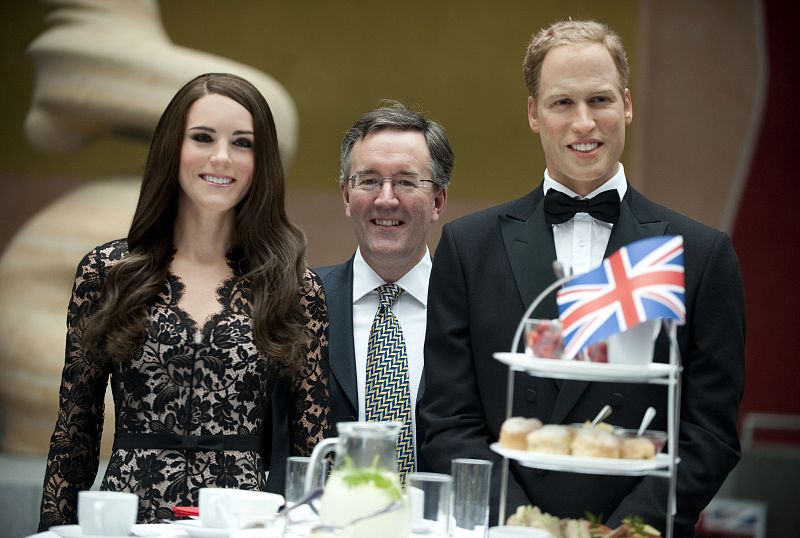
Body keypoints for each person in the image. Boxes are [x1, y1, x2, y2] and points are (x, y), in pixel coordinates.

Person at [419, 20, 745, 536]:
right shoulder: (468, 247)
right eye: (562, 103)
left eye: (600, 100)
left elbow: (709, 432)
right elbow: (446, 421)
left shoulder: (699, 254)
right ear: (534, 113)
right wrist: (521, 526)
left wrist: (628, 528)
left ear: (628, 105)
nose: (584, 123)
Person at [37, 72, 331, 529]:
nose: (221, 157)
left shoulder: (294, 288)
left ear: (263, 160)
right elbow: (76, 432)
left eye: (242, 143)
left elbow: (312, 452)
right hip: (126, 522)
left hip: (240, 526)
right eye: (202, 137)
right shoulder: (108, 272)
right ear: (173, 147)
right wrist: (53, 528)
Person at [270, 102, 452, 487]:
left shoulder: (469, 306)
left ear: (437, 201)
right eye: (368, 180)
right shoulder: (297, 302)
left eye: (406, 181)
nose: (386, 199)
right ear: (346, 196)